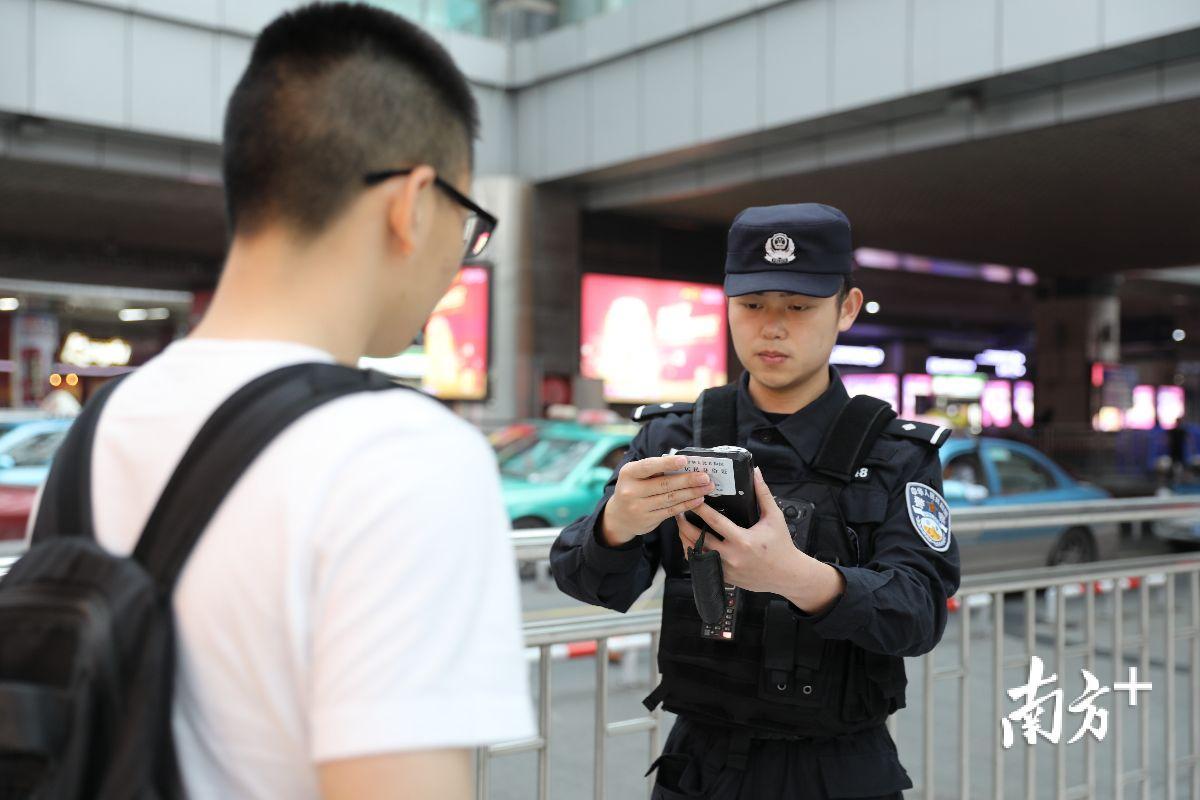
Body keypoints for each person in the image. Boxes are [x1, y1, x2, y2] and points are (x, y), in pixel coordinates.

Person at [31, 5, 533, 798]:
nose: (459, 264)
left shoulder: (93, 432)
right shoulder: (404, 455)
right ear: (410, 203)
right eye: (467, 226)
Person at [551, 204, 961, 799]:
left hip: (840, 770)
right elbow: (585, 580)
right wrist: (616, 525)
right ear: (726, 305)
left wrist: (799, 578)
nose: (772, 327)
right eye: (752, 305)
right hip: (701, 767)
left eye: (799, 307)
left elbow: (920, 613)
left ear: (846, 309)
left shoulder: (895, 452)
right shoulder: (673, 438)